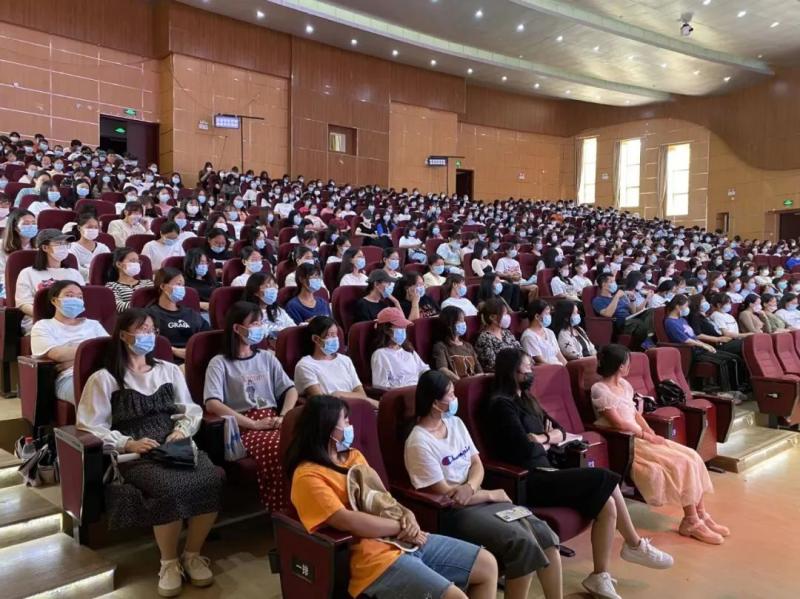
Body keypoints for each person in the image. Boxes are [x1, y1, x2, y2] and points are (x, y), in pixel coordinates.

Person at [488, 349, 673, 598]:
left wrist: (543, 438)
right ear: (513, 371)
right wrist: (547, 438)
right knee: (604, 477)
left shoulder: (528, 400)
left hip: (549, 469)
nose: (531, 371)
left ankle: (600, 576)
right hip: (528, 478)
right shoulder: (501, 405)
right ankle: (634, 544)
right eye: (527, 367)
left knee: (607, 504)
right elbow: (524, 447)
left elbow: (561, 431)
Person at [287, 394, 498, 599]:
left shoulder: (353, 456)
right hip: (373, 558)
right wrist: (400, 528)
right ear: (327, 428)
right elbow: (346, 520)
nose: (351, 425)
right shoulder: (308, 475)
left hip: (406, 539)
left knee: (487, 564)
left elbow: (382, 498)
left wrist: (408, 516)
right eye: (346, 420)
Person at [76, 308, 223, 597]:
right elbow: (91, 425)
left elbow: (190, 409)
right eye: (141, 329)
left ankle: (192, 554)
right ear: (124, 335)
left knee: (212, 479)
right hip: (137, 451)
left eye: (151, 330)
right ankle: (168, 562)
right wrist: (127, 443)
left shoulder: (168, 370)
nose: (148, 335)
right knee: (169, 488)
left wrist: (182, 430)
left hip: (175, 443)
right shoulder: (105, 378)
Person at [404, 370, 563, 599]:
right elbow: (446, 494)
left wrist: (471, 487)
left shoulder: (456, 423)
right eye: (451, 395)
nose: (455, 399)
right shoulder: (418, 441)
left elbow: (476, 464)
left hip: (476, 496)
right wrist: (489, 495)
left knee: (544, 534)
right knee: (522, 542)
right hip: (455, 512)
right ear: (435, 403)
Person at [592, 344, 729, 545]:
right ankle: (690, 520)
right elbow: (619, 423)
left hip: (641, 436)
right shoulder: (600, 389)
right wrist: (645, 437)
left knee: (692, 456)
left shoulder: (625, 385)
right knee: (681, 463)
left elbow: (635, 414)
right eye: (628, 362)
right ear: (620, 366)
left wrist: (649, 431)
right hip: (626, 441)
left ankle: (700, 514)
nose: (629, 366)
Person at [204, 301, 298, 512]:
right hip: (243, 425)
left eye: (261, 323)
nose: (260, 328)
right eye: (254, 324)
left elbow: (290, 389)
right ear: (237, 328)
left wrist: (284, 416)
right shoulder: (219, 362)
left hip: (274, 419)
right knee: (279, 447)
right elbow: (212, 403)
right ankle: (281, 509)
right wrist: (253, 424)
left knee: (303, 442)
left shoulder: (266, 357)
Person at [30, 281, 108, 405]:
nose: (75, 300)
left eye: (79, 297)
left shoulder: (93, 324)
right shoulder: (43, 326)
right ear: (55, 300)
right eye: (69, 295)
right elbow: (58, 355)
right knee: (97, 395)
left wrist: (73, 361)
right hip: (70, 378)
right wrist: (93, 350)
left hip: (103, 372)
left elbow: (111, 349)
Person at [664, 295, 747, 393]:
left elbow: (693, 336)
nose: (687, 309)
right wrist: (703, 345)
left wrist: (706, 345)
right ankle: (728, 391)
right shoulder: (670, 322)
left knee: (734, 358)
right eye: (686, 306)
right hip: (691, 351)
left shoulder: (682, 320)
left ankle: (738, 387)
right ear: (677, 306)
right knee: (724, 361)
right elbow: (686, 340)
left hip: (699, 348)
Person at [16, 229, 85, 334]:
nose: (64, 247)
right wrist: (52, 317)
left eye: (65, 244)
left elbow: (83, 300)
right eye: (59, 244)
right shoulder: (27, 273)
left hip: (72, 322)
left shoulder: (74, 273)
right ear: (45, 247)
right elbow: (23, 304)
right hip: (40, 323)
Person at [293, 316, 374, 406]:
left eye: (335, 334)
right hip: (333, 411)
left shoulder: (345, 360)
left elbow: (362, 395)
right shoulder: (305, 365)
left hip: (356, 406)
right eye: (330, 335)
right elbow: (321, 402)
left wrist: (338, 394)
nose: (335, 338)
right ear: (316, 339)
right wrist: (346, 396)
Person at [147, 267, 209, 362]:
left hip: (195, 360)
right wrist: (174, 351)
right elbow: (148, 342)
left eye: (183, 285)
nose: (182, 289)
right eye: (178, 284)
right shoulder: (150, 315)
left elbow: (207, 337)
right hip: (167, 362)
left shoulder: (190, 313)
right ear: (163, 286)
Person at [370, 307, 429, 389]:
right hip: (401, 394)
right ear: (387, 330)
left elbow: (424, 369)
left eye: (404, 327)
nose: (403, 330)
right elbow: (380, 386)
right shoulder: (380, 354)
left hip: (420, 389)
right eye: (400, 327)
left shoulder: (408, 349)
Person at [592, 273, 652, 350]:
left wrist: (632, 300)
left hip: (630, 319)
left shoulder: (620, 298)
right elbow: (608, 314)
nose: (614, 284)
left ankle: (649, 341)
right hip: (619, 323)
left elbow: (633, 312)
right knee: (638, 323)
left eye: (614, 281)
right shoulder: (598, 300)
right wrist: (616, 296)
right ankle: (645, 347)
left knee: (651, 312)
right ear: (604, 285)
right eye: (611, 282)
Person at [431, 306, 483, 382]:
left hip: (473, 384)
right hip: (457, 384)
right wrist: (461, 383)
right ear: (449, 324)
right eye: (460, 321)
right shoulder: (440, 346)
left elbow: (479, 370)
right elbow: (443, 369)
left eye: (464, 321)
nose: (464, 324)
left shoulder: (468, 345)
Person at [242, 272, 295, 340]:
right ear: (255, 292)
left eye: (274, 285)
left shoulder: (278, 310)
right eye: (269, 286)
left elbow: (292, 327)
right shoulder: (249, 314)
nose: (274, 289)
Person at [475, 298, 521, 372]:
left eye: (507, 313)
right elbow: (492, 363)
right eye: (504, 314)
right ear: (492, 317)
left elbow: (520, 350)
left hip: (516, 369)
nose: (507, 317)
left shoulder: (507, 333)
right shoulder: (484, 338)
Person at [105, 247, 154, 312]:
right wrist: (143, 304)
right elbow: (118, 307)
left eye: (138, 262)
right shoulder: (112, 286)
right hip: (130, 317)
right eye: (133, 261)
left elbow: (156, 301)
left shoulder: (147, 282)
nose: (137, 264)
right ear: (119, 264)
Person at [0, 209, 36, 296]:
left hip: (32, 285)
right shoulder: (1, 245)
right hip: (8, 285)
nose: (31, 226)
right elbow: (1, 273)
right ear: (15, 227)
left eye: (34, 223)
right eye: (26, 223)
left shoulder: (39, 246)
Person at [521, 299, 567, 365]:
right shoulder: (528, 336)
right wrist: (558, 369)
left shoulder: (549, 332)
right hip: (548, 369)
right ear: (537, 316)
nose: (549, 316)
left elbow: (560, 356)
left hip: (559, 367)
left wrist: (567, 368)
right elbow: (540, 361)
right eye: (547, 314)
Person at [68, 213, 110, 280]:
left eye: (96, 227)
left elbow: (109, 267)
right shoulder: (71, 248)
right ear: (79, 228)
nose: (93, 230)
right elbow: (77, 270)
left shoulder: (103, 248)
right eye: (89, 227)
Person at [182, 248, 218, 312]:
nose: (204, 266)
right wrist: (199, 304)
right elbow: (182, 302)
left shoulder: (210, 279)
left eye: (206, 263)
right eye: (201, 262)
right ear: (191, 263)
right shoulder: (184, 283)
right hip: (200, 312)